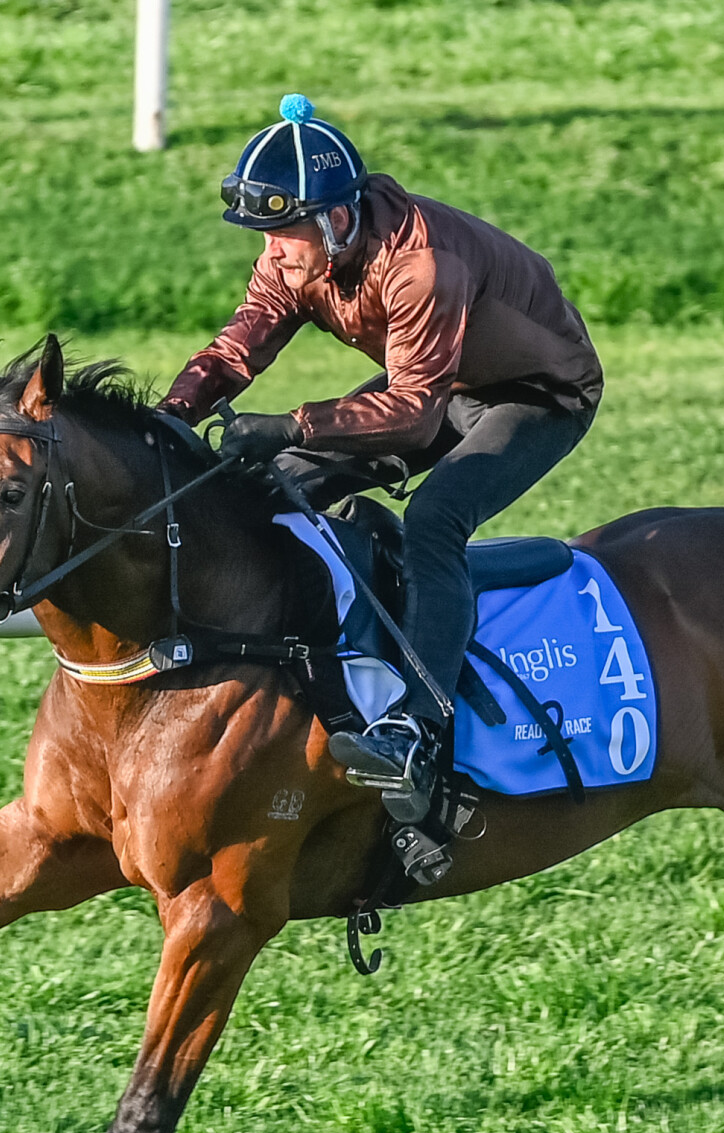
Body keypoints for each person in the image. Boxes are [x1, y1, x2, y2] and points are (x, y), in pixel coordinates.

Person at [158, 94, 603, 837]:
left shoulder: (421, 266)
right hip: (440, 382)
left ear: (338, 218)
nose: (272, 252)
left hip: (535, 397)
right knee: (275, 483)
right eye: (262, 236)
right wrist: (170, 413)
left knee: (434, 520)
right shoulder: (299, 253)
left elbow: (414, 416)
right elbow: (237, 349)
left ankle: (415, 727)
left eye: (284, 233)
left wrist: (292, 423)